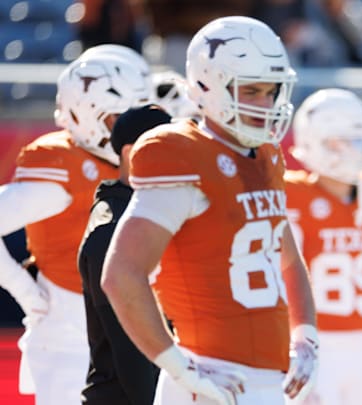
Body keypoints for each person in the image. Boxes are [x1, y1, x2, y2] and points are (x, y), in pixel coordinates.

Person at [101, 16, 318, 405]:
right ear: (207, 85)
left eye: (272, 91)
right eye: (250, 90)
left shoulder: (266, 155)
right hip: (212, 378)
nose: (265, 104)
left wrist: (306, 335)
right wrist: (177, 366)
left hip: (267, 380)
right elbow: (121, 275)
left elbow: (288, 258)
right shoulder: (180, 152)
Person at [0, 46, 150, 404]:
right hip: (71, 332)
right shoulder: (63, 165)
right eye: (119, 117)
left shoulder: (132, 160)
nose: (132, 129)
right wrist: (26, 293)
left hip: (126, 323)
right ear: (87, 115)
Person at [284, 88, 362, 405]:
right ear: (314, 143)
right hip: (309, 342)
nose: (354, 150)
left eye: (360, 140)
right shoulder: (292, 193)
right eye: (341, 141)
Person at [78, 104, 172, 405]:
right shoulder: (111, 228)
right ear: (133, 152)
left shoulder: (151, 212)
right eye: (168, 147)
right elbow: (130, 347)